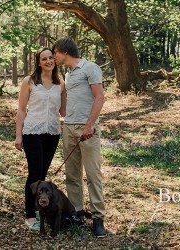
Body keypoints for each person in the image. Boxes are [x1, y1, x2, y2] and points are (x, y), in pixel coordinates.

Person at [52, 37, 106, 237]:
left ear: (64, 51)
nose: (54, 56)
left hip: (88, 129)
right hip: (69, 128)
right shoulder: (68, 73)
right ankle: (76, 213)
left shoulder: (90, 68)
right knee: (72, 175)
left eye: (55, 53)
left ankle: (98, 218)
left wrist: (90, 125)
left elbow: (100, 97)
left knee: (93, 174)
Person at [15, 47, 66, 230]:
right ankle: (30, 215)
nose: (48, 61)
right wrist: (18, 135)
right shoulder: (29, 81)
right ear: (38, 62)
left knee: (43, 174)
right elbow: (21, 110)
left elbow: (64, 111)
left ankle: (39, 209)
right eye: (44, 59)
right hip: (32, 132)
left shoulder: (61, 83)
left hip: (52, 133)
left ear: (55, 60)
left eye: (51, 58)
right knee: (34, 174)